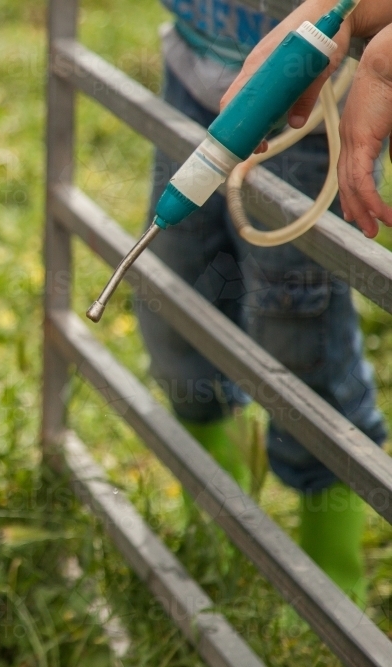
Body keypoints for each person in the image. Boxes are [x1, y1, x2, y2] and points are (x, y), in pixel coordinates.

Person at [137, 0, 387, 604]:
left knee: (295, 327)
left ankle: (332, 579)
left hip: (313, 87)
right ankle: (216, 520)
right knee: (176, 297)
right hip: (196, 66)